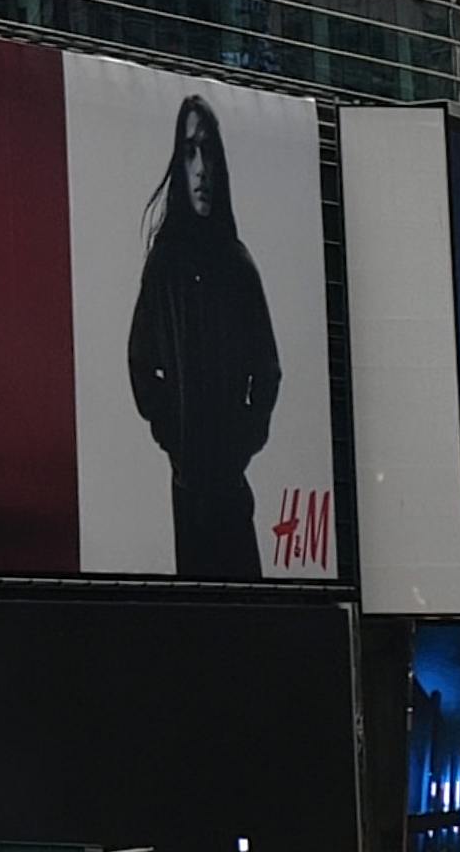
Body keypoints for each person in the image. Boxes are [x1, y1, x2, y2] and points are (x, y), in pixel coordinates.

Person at [126, 97, 287, 578]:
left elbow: (269, 368)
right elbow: (140, 360)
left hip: (229, 485)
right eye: (192, 152)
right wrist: (172, 435)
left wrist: (243, 440)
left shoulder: (237, 264)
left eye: (209, 152)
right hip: (186, 487)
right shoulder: (165, 263)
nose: (202, 169)